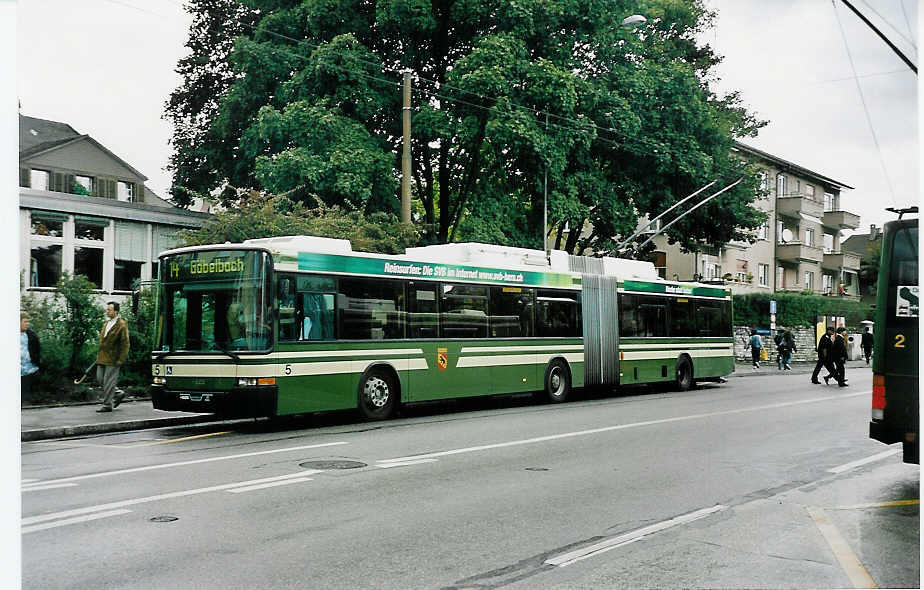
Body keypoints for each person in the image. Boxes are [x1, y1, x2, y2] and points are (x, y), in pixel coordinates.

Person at [96, 301, 130, 412]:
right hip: (102, 357)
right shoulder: (106, 324)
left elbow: (125, 343)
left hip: (113, 359)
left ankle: (107, 405)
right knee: (100, 379)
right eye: (107, 309)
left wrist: (121, 359)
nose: (107, 311)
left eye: (109, 309)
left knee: (108, 382)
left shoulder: (121, 325)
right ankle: (118, 393)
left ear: (115, 311)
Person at [20, 312, 40, 398]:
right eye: (25, 322)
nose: (27, 324)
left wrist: (37, 362)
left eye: (28, 322)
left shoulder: (31, 335)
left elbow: (37, 350)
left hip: (27, 370)